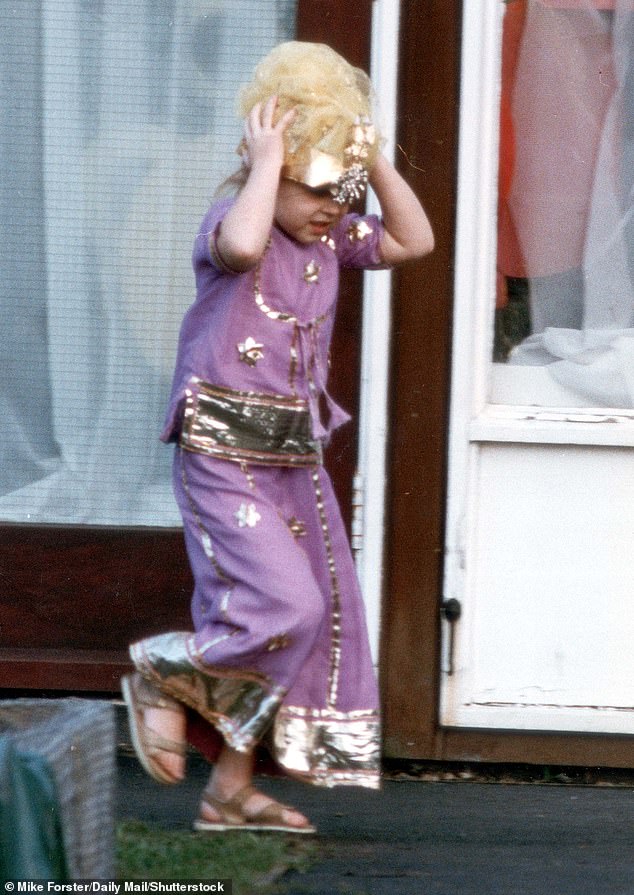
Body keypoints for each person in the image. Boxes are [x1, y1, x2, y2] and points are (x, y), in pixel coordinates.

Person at [121, 41, 433, 834]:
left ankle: (229, 789)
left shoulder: (332, 240)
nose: (334, 205)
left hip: (293, 458)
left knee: (306, 625)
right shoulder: (235, 224)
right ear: (275, 169)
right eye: (319, 185)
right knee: (280, 603)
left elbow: (414, 242)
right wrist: (267, 162)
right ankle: (162, 671)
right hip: (223, 452)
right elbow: (244, 245)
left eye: (346, 187)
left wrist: (375, 158)